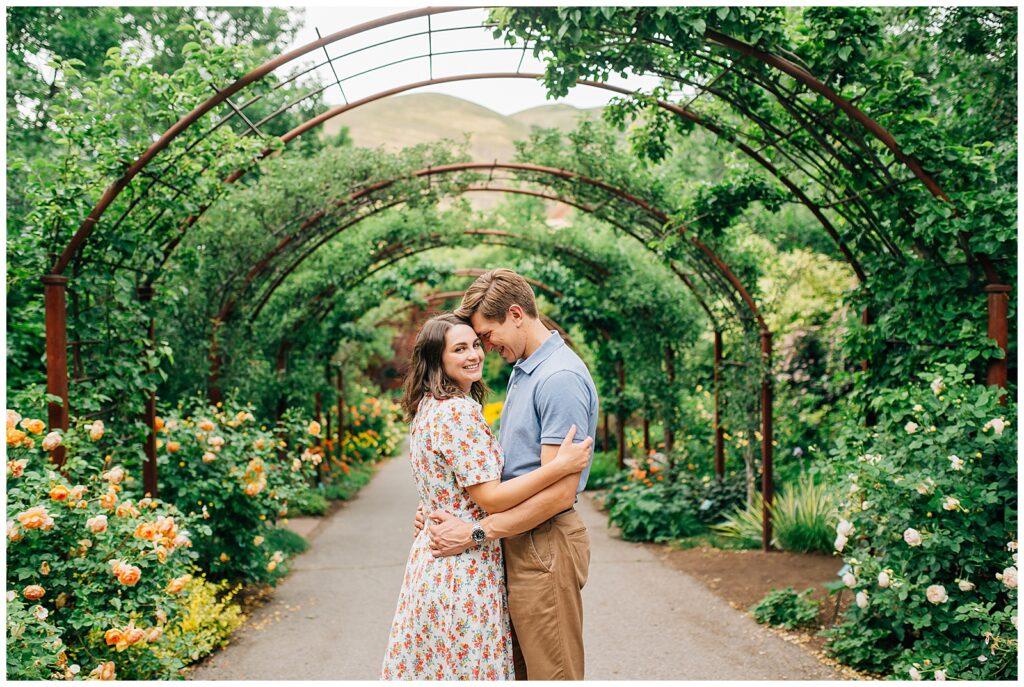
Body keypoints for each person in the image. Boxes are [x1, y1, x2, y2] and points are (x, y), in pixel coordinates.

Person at [381, 313, 593, 680]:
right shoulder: (458, 412)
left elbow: (447, 481)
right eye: (459, 348)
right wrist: (558, 468)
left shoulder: (428, 408)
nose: (476, 354)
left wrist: (434, 508)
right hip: (463, 569)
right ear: (437, 361)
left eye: (477, 344)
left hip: (437, 564)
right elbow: (492, 497)